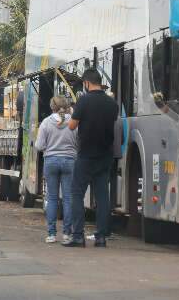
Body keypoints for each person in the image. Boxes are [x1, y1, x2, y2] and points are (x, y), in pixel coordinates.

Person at [63, 68, 118, 248]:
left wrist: (74, 113)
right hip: (105, 155)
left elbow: (71, 126)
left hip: (86, 154)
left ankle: (78, 235)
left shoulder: (83, 101)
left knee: (77, 193)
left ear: (86, 83)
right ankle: (101, 237)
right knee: (103, 196)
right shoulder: (112, 103)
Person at [35, 96, 78, 243]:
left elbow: (39, 146)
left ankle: (51, 234)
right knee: (68, 198)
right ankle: (67, 233)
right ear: (66, 106)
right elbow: (79, 142)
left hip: (51, 161)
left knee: (52, 198)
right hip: (69, 161)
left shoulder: (46, 122)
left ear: (52, 106)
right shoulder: (74, 121)